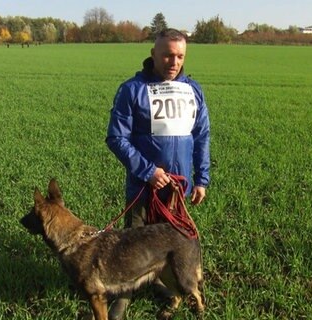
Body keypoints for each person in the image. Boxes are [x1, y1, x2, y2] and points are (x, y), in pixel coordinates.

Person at [105, 28, 211, 319]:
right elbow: (116, 138)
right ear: (153, 54)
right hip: (143, 188)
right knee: (132, 246)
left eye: (179, 56)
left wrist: (201, 178)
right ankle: (122, 297)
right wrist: (148, 171)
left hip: (177, 192)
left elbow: (201, 136)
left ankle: (169, 287)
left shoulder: (193, 90)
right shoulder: (131, 90)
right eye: (167, 55)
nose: (173, 62)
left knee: (170, 245)